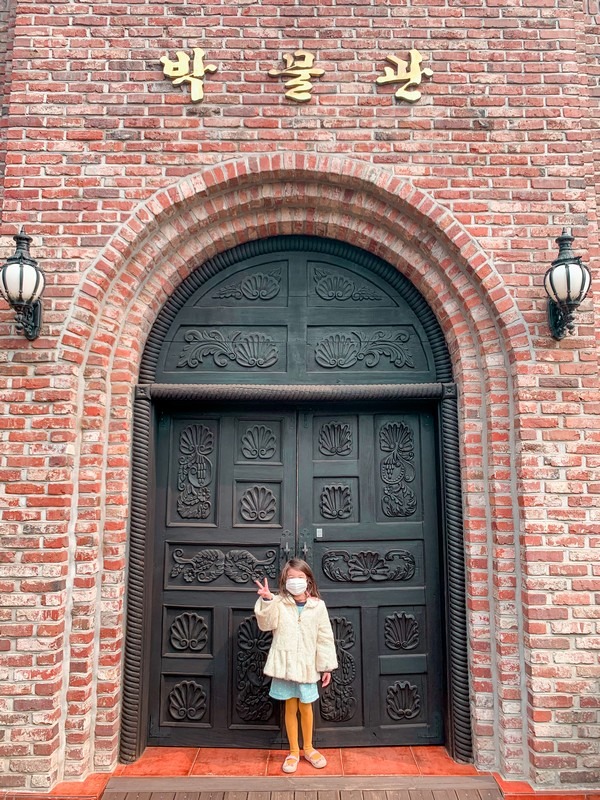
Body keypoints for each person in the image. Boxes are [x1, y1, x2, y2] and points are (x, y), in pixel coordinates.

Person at [254, 558, 338, 774]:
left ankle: (308, 748)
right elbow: (266, 624)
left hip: (308, 666)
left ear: (308, 580)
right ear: (285, 580)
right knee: (290, 706)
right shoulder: (279, 603)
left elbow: (325, 637)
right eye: (291, 578)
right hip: (285, 665)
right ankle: (293, 751)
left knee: (306, 706)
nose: (295, 581)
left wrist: (326, 666)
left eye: (300, 577)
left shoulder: (318, 606)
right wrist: (266, 600)